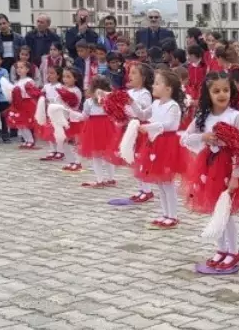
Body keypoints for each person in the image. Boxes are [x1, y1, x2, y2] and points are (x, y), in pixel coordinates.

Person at [180, 72, 239, 273]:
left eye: (226, 90)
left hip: (229, 167)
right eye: (216, 91)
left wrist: (236, 177)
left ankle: (234, 250)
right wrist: (203, 137)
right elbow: (185, 139)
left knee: (226, 211)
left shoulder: (235, 116)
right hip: (209, 166)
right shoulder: (203, 117)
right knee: (215, 209)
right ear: (207, 94)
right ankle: (221, 248)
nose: (222, 94)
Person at [135, 69, 186, 228]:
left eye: (157, 83)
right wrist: (130, 103)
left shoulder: (173, 106)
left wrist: (152, 126)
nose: (153, 86)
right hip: (154, 143)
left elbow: (171, 125)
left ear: (168, 88)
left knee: (167, 182)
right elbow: (143, 115)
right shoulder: (155, 103)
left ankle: (173, 215)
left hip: (167, 145)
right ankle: (165, 213)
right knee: (159, 182)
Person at [117, 64, 155, 202]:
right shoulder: (130, 92)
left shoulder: (145, 93)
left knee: (141, 157)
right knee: (134, 158)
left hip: (140, 128)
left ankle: (147, 189)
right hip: (130, 126)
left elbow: (142, 112)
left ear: (143, 78)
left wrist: (131, 104)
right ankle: (141, 188)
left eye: (134, 73)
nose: (130, 76)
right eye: (130, 73)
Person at [77, 77, 120, 189]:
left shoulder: (89, 102)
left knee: (96, 156)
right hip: (108, 129)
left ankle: (99, 180)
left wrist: (73, 114)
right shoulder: (110, 100)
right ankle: (111, 179)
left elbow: (84, 116)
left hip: (94, 130)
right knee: (108, 155)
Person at [5, 61, 40, 149]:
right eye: (18, 67)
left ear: (27, 69)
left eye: (21, 67)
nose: (19, 69)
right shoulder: (17, 81)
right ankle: (26, 140)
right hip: (18, 104)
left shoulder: (29, 80)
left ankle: (31, 140)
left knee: (24, 123)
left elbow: (33, 92)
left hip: (26, 104)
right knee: (19, 123)